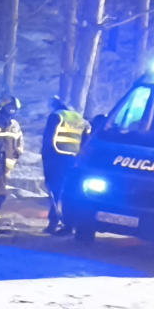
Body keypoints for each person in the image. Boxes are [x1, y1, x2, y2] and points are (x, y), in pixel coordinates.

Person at [42, 97, 89, 234]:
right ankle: (69, 224)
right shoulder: (80, 119)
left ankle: (54, 222)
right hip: (74, 159)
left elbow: (47, 139)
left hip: (56, 157)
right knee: (70, 191)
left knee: (55, 190)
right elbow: (86, 141)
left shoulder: (56, 116)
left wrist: (45, 158)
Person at [0, 97, 24, 212]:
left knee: (3, 190)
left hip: (7, 163)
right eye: (10, 108)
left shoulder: (15, 125)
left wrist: (17, 153)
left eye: (14, 109)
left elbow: (20, 141)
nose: (12, 111)